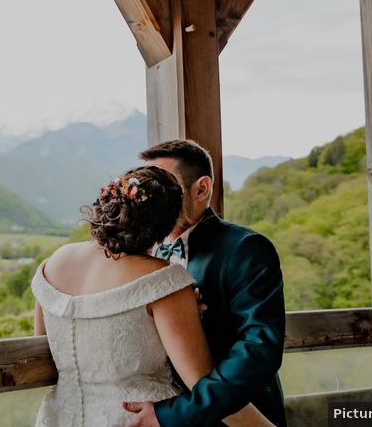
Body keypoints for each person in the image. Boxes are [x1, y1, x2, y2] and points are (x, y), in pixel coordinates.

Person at [32, 165, 272, 427]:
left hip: (61, 416)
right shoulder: (164, 280)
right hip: (139, 419)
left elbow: (43, 344)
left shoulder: (54, 263)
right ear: (165, 227)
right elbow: (202, 383)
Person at [123, 140, 286, 427]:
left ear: (201, 188)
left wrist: (177, 412)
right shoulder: (143, 253)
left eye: (166, 187)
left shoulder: (247, 249)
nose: (153, 196)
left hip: (235, 416)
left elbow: (258, 350)